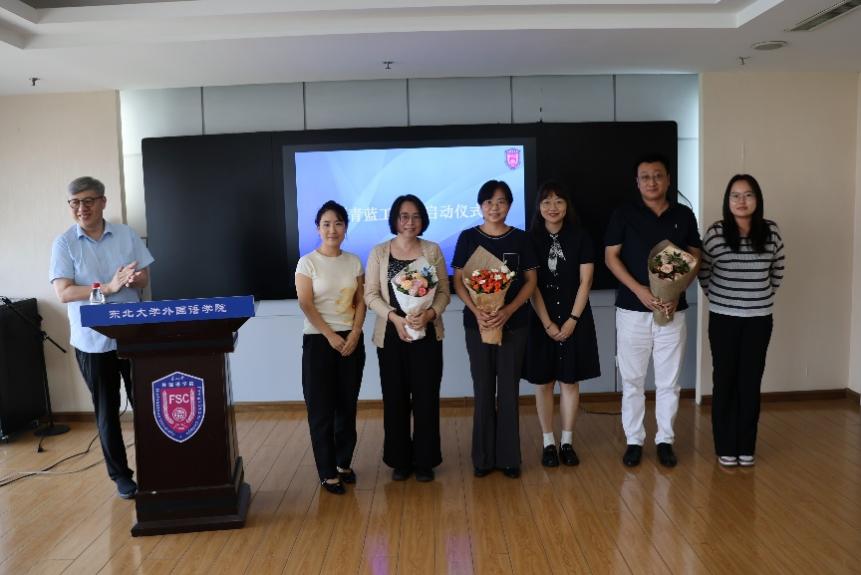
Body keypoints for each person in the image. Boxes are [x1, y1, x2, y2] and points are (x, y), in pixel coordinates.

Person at [49, 176, 154, 499]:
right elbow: (64, 292)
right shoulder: (65, 243)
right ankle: (121, 477)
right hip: (92, 341)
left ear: (103, 202)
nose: (82, 208)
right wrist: (107, 288)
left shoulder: (126, 234)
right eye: (75, 203)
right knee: (107, 411)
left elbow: (144, 278)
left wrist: (133, 279)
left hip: (132, 335)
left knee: (145, 405)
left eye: (88, 201)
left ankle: (156, 467)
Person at [604, 154, 701, 468]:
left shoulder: (683, 215)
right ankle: (634, 440)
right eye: (645, 177)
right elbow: (610, 257)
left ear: (668, 179)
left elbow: (695, 256)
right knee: (632, 380)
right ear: (637, 182)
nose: (652, 182)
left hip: (673, 311)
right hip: (632, 310)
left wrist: (677, 290)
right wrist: (639, 290)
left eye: (658, 175)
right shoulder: (623, 214)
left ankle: (665, 440)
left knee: (669, 382)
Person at [452, 180, 538, 479]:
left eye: (501, 201)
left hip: (515, 325)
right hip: (477, 325)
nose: (494, 207)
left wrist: (508, 310)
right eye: (488, 202)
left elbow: (530, 281)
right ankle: (483, 458)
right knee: (484, 388)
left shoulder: (521, 239)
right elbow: (458, 280)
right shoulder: (468, 237)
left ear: (509, 205)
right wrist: (477, 310)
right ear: (480, 206)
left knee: (510, 390)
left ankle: (509, 458)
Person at [699, 175, 784, 467]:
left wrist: (757, 298)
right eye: (735, 195)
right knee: (724, 381)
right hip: (723, 319)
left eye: (748, 195)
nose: (741, 201)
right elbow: (704, 273)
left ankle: (746, 446)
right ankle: (725, 446)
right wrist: (724, 300)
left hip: (759, 320)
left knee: (750, 382)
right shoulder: (716, 233)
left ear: (757, 199)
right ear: (728, 201)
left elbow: (777, 272)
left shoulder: (771, 232)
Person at [365, 195, 451, 482]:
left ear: (423, 219)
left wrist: (429, 315)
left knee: (426, 398)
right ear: (395, 219)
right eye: (404, 216)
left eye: (415, 216)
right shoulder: (379, 252)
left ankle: (425, 460)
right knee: (395, 399)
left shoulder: (432, 250)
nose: (410, 222)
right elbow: (370, 295)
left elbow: (444, 292)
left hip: (427, 333)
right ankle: (400, 459)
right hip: (391, 334)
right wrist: (394, 317)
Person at [524, 181, 600, 467]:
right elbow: (532, 286)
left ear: (567, 206)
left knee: (570, 381)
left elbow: (586, 281)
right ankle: (548, 443)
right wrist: (547, 323)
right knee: (543, 383)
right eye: (546, 202)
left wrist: (572, 320)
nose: (552, 207)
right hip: (540, 320)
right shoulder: (530, 239)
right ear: (539, 207)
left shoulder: (581, 237)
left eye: (558, 201)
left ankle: (567, 442)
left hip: (575, 319)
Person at [295, 200, 366, 495]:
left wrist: (356, 332)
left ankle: (342, 463)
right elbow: (305, 303)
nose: (332, 229)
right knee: (321, 409)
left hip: (351, 340)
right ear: (317, 228)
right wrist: (330, 336)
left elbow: (361, 301)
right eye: (326, 224)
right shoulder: (307, 263)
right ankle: (327, 472)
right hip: (319, 341)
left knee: (347, 407)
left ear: (346, 228)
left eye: (338, 223)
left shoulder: (354, 261)